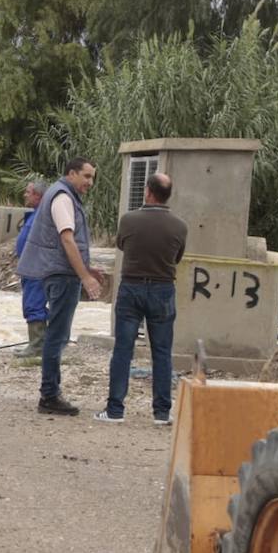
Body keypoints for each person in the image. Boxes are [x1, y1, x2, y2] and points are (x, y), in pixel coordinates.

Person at [94, 173, 188, 425]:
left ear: (147, 191)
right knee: (161, 351)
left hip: (132, 287)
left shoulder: (129, 220)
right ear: (168, 195)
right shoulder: (180, 226)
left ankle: (115, 410)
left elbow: (123, 246)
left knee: (123, 349)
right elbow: (177, 257)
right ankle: (161, 412)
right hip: (163, 289)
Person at [15, 157, 104, 416]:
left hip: (59, 272)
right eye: (86, 176)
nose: (90, 182)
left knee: (56, 334)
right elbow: (67, 239)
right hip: (62, 275)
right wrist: (85, 277)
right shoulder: (63, 198)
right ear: (72, 173)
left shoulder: (61, 194)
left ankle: (50, 392)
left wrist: (87, 270)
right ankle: (50, 394)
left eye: (93, 177)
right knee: (58, 335)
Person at [13, 180, 48, 358]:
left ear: (37, 195)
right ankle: (36, 343)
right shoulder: (36, 214)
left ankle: (37, 345)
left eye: (28, 192)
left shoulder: (43, 216)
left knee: (34, 304)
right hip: (29, 267)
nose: (25, 195)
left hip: (36, 268)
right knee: (31, 303)